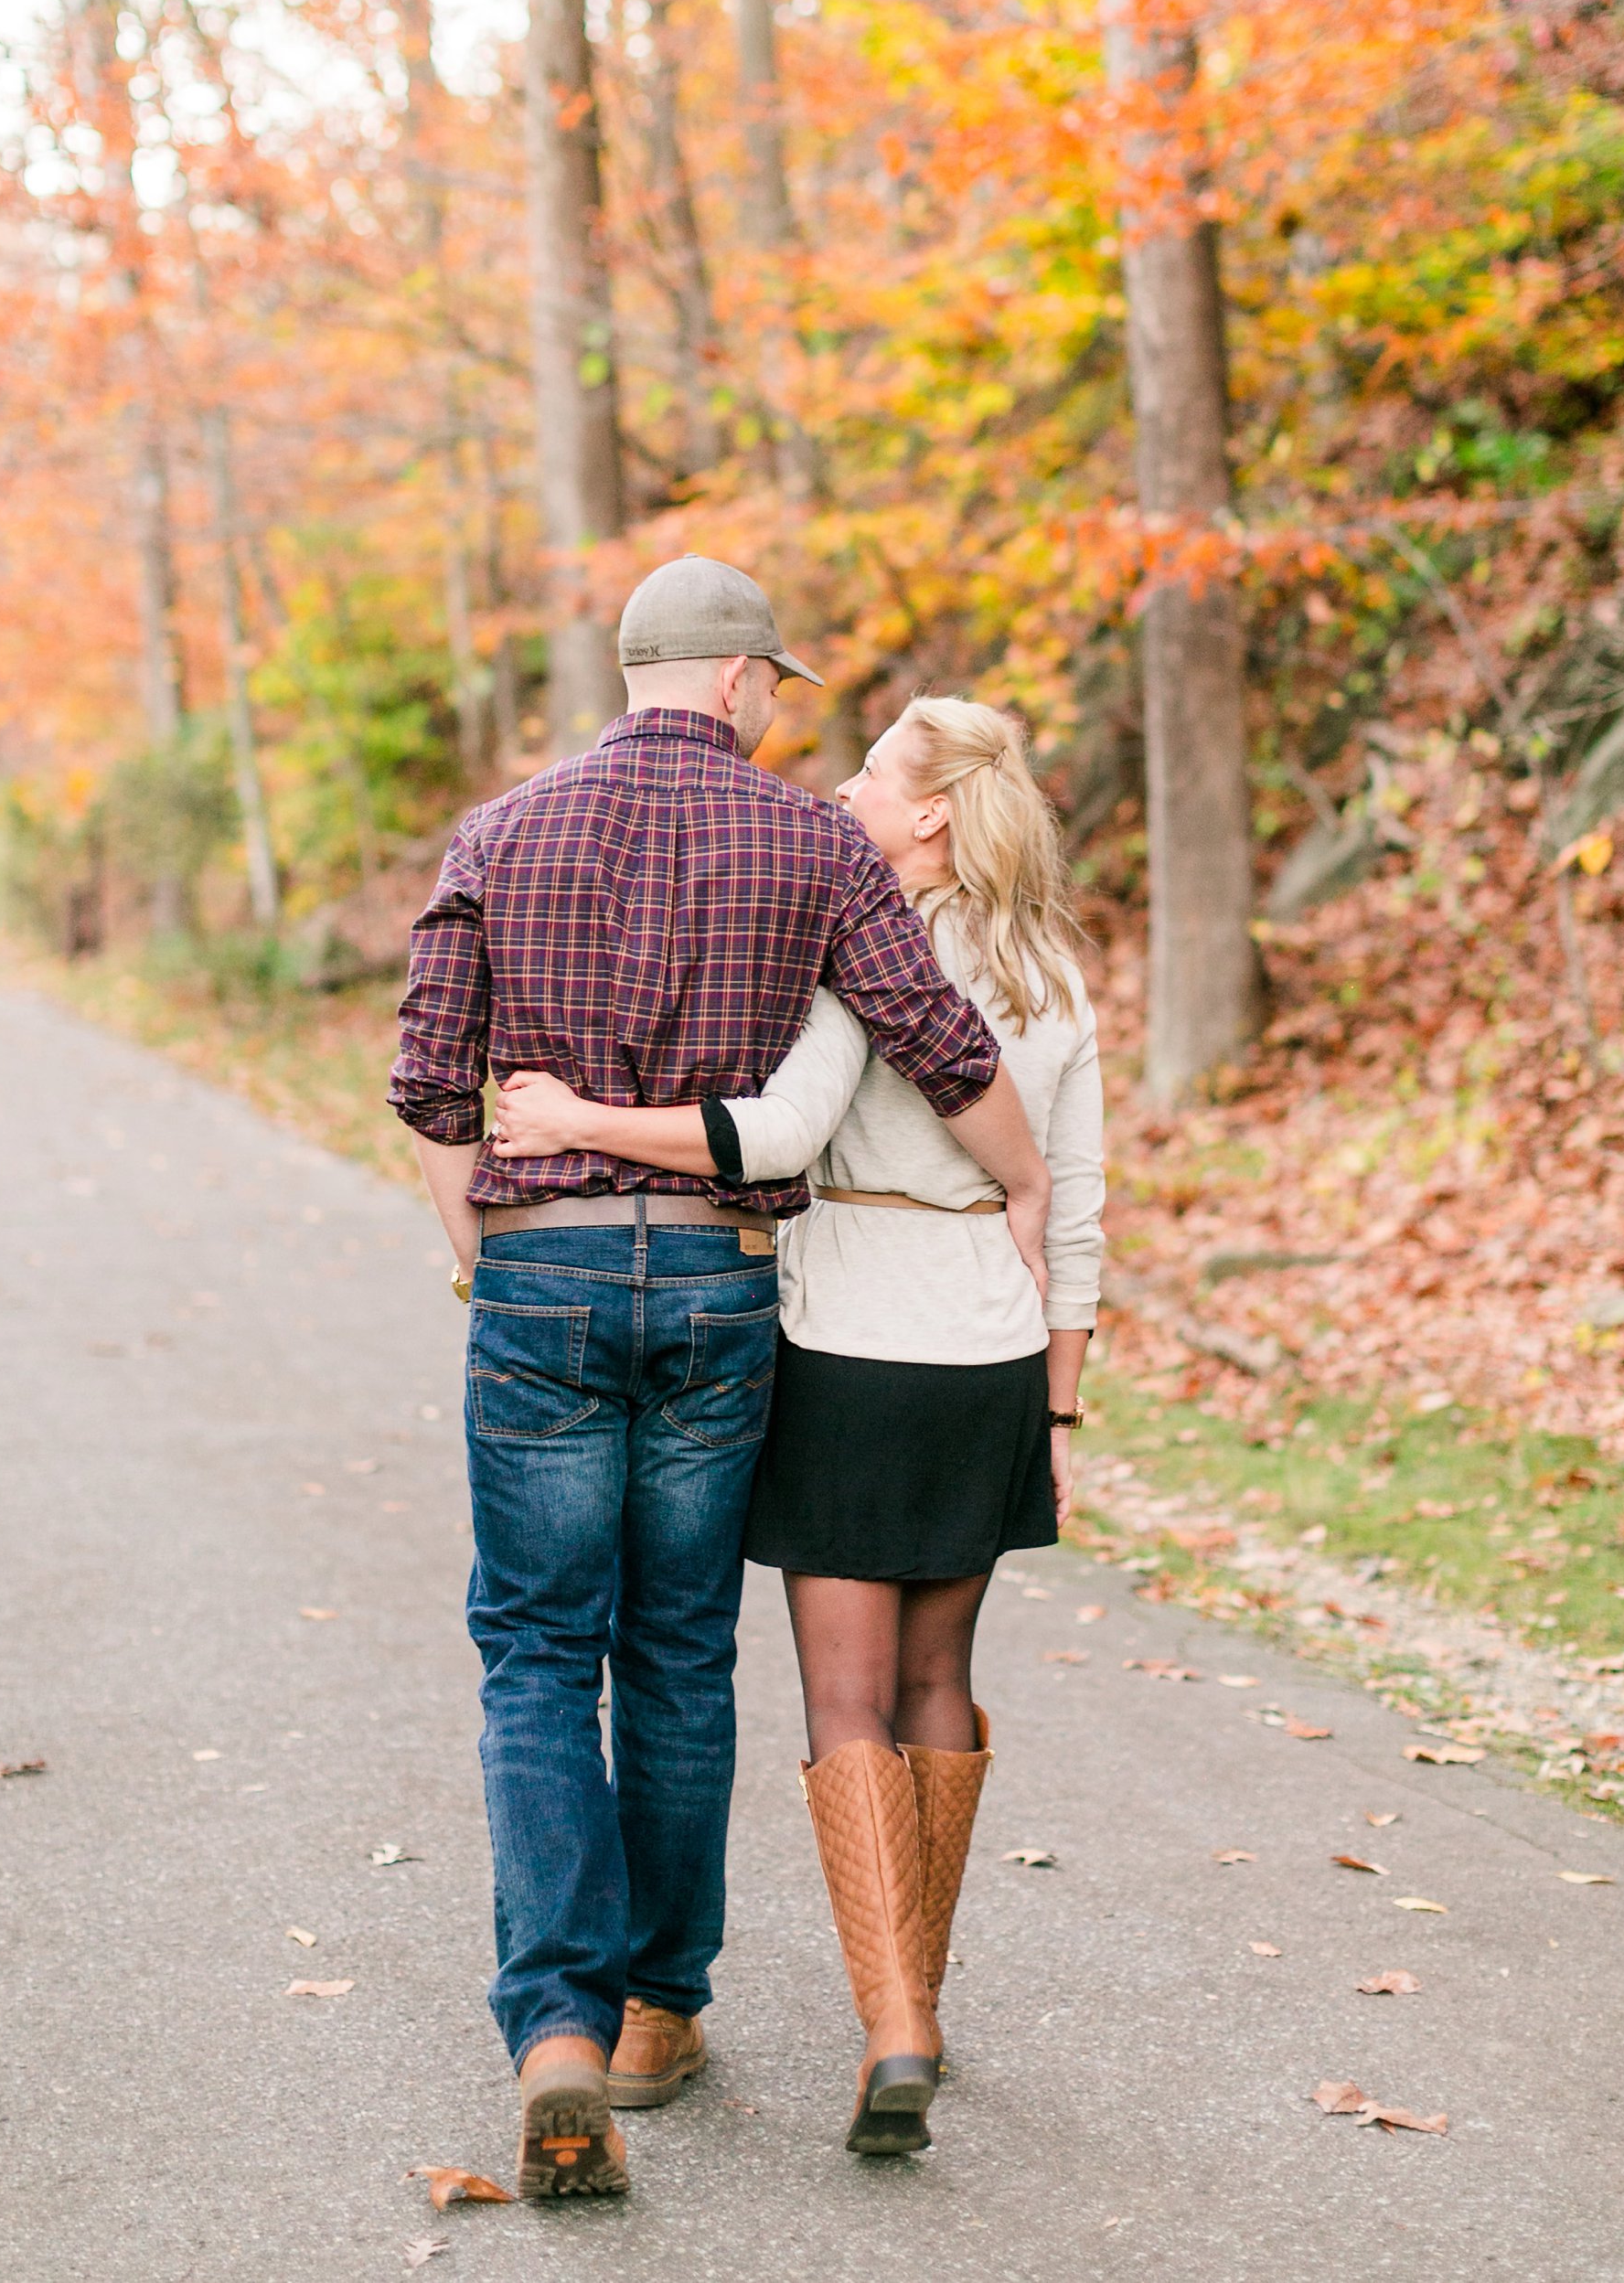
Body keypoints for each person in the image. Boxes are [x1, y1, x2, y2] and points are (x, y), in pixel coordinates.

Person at [389, 562, 1052, 2202]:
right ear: (744, 681)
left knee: (538, 1650)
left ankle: (552, 2024)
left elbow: (426, 1083)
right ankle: (655, 2015)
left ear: (637, 676)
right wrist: (1029, 1191)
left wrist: (482, 1250)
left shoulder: (500, 829)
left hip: (540, 1270)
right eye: (777, 686)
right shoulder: (814, 841)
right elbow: (939, 1041)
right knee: (678, 1648)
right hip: (715, 1277)